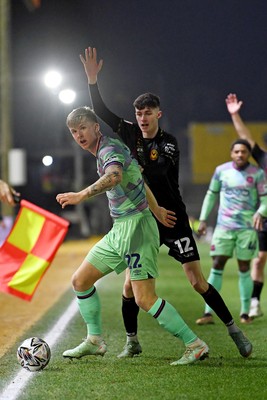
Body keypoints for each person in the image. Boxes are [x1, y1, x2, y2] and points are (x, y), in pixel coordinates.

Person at [78, 46, 253, 359]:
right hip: (143, 218)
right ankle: (132, 341)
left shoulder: (169, 143)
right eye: (139, 114)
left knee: (196, 280)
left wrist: (138, 168)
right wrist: (92, 80)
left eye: (148, 113)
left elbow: (159, 172)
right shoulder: (129, 133)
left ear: (158, 114)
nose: (142, 119)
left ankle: (233, 330)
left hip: (172, 218)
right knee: (130, 286)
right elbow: (101, 112)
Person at [56, 106, 209, 365]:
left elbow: (114, 176)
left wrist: (81, 195)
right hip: (121, 229)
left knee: (144, 298)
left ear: (96, 127)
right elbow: (138, 176)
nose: (79, 135)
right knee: (81, 281)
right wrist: (157, 208)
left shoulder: (108, 149)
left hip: (137, 228)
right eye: (74, 131)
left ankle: (195, 344)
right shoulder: (104, 148)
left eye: (83, 128)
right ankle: (95, 340)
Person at [196, 139, 267, 324]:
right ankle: (208, 313)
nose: (240, 155)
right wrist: (203, 219)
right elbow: (211, 195)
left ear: (248, 154)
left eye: (244, 151)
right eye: (237, 151)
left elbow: (265, 199)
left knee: (244, 267)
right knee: (217, 265)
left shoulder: (257, 173)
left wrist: (261, 211)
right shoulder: (221, 171)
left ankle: (245, 313)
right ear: (231, 153)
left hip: (246, 229)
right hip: (224, 227)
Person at [226, 93, 267, 318]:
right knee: (259, 259)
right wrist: (235, 115)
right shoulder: (264, 159)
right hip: (264, 216)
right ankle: (254, 302)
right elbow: (246, 138)